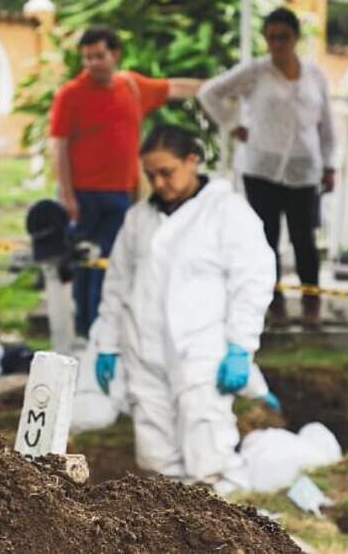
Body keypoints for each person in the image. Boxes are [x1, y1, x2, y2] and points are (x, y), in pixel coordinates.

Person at [88, 123, 275, 490]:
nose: (159, 183)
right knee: (157, 461)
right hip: (143, 351)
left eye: (167, 172)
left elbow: (252, 281)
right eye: (151, 175)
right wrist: (106, 343)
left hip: (201, 352)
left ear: (192, 161)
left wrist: (241, 345)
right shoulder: (138, 219)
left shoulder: (226, 211)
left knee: (209, 452)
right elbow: (117, 286)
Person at [49, 26, 203, 336]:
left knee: (112, 261)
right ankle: (87, 327)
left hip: (121, 192)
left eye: (99, 56)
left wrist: (220, 87)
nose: (93, 63)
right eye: (88, 57)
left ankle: (105, 326)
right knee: (86, 263)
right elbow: (59, 145)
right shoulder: (71, 94)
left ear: (114, 54)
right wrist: (67, 193)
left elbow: (174, 88)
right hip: (84, 193)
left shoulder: (132, 87)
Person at [199, 8, 336, 327]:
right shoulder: (256, 72)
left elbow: (326, 124)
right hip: (262, 168)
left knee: (305, 239)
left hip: (304, 169)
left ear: (295, 38)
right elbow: (210, 93)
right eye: (271, 38)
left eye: (283, 37)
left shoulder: (315, 75)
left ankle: (311, 302)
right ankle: (271, 303)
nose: (277, 44)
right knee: (265, 239)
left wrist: (329, 163)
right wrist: (233, 124)